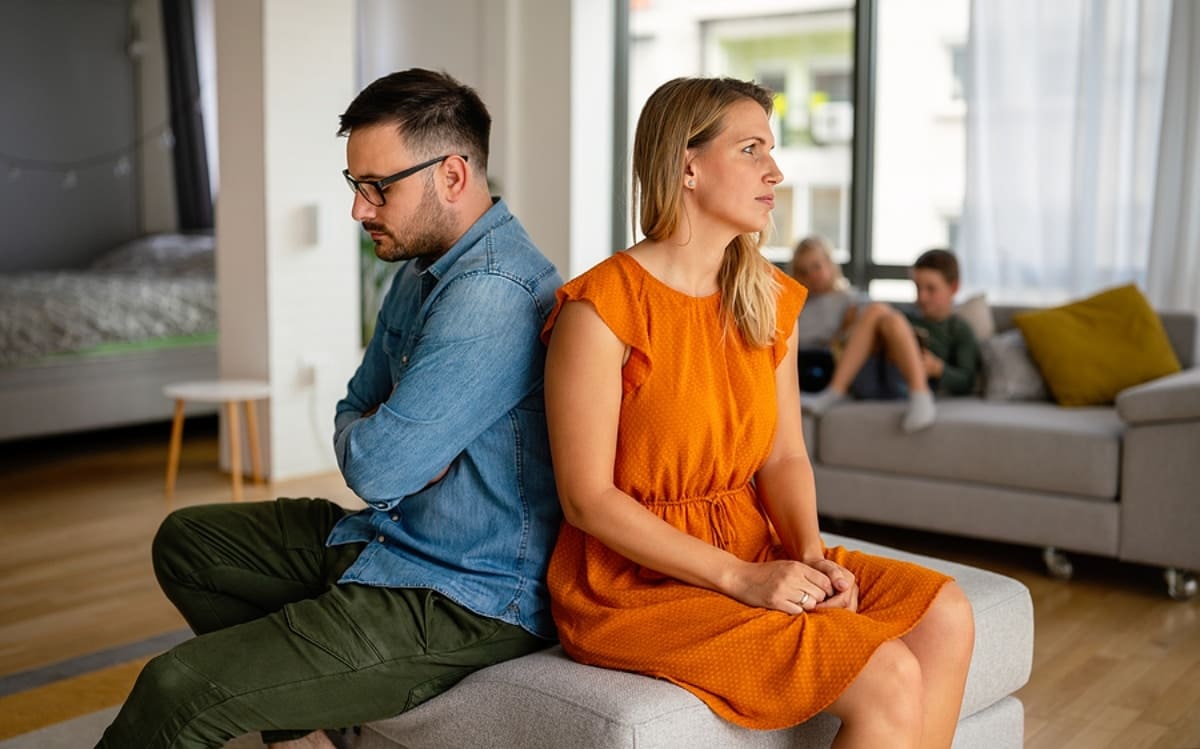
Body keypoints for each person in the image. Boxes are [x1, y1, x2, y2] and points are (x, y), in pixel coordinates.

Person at [98, 68, 564, 749]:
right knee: (188, 542)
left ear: (454, 176)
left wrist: (388, 443)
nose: (360, 209)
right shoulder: (421, 272)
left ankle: (304, 688)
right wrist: (387, 441)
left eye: (380, 187)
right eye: (356, 186)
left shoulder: (492, 291)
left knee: (177, 687)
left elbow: (375, 468)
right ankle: (310, 714)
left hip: (460, 598)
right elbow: (357, 417)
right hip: (395, 539)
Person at [540, 76, 974, 749]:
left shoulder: (766, 297)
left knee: (947, 612)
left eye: (770, 150)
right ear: (687, 165)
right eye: (750, 149)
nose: (775, 171)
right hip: (635, 581)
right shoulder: (600, 310)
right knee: (887, 673)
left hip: (750, 543)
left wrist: (808, 555)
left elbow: (783, 454)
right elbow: (587, 499)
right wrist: (744, 579)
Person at [804, 249, 980, 433]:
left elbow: (968, 380)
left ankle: (921, 395)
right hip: (873, 377)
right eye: (917, 287)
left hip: (904, 385)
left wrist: (938, 369)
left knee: (890, 318)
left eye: (931, 289)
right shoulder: (908, 316)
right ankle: (835, 391)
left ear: (953, 287)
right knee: (876, 310)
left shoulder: (959, 329)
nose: (922, 297)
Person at [790, 235, 864, 391]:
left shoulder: (849, 300)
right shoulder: (796, 303)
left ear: (830, 265)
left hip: (826, 358)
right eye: (803, 272)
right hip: (797, 357)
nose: (811, 276)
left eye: (817, 267)